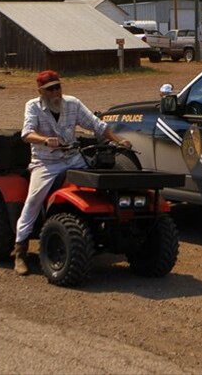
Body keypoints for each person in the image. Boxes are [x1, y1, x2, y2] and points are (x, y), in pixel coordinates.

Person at [12, 69, 130, 276]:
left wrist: (119, 141)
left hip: (74, 159)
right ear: (41, 91)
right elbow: (27, 134)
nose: (56, 92)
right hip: (46, 163)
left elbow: (97, 125)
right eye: (50, 89)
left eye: (58, 87)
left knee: (100, 187)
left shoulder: (72, 104)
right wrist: (45, 140)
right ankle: (20, 250)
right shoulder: (32, 106)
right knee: (33, 200)